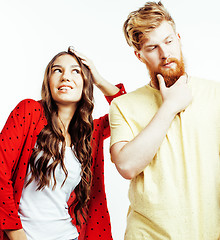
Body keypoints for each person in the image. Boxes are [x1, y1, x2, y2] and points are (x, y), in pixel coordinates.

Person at [109, 1, 220, 240]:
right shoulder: (123, 105)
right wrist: (169, 107)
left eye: (169, 41)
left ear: (179, 38)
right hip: (148, 235)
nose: (165, 53)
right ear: (139, 56)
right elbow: (126, 166)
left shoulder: (215, 94)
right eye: (152, 47)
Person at [0, 46, 126, 240]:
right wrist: (16, 234)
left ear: (86, 82)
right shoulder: (29, 112)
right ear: (48, 81)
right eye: (57, 70)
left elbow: (128, 112)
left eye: (76, 71)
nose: (65, 77)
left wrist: (98, 79)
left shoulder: (90, 133)